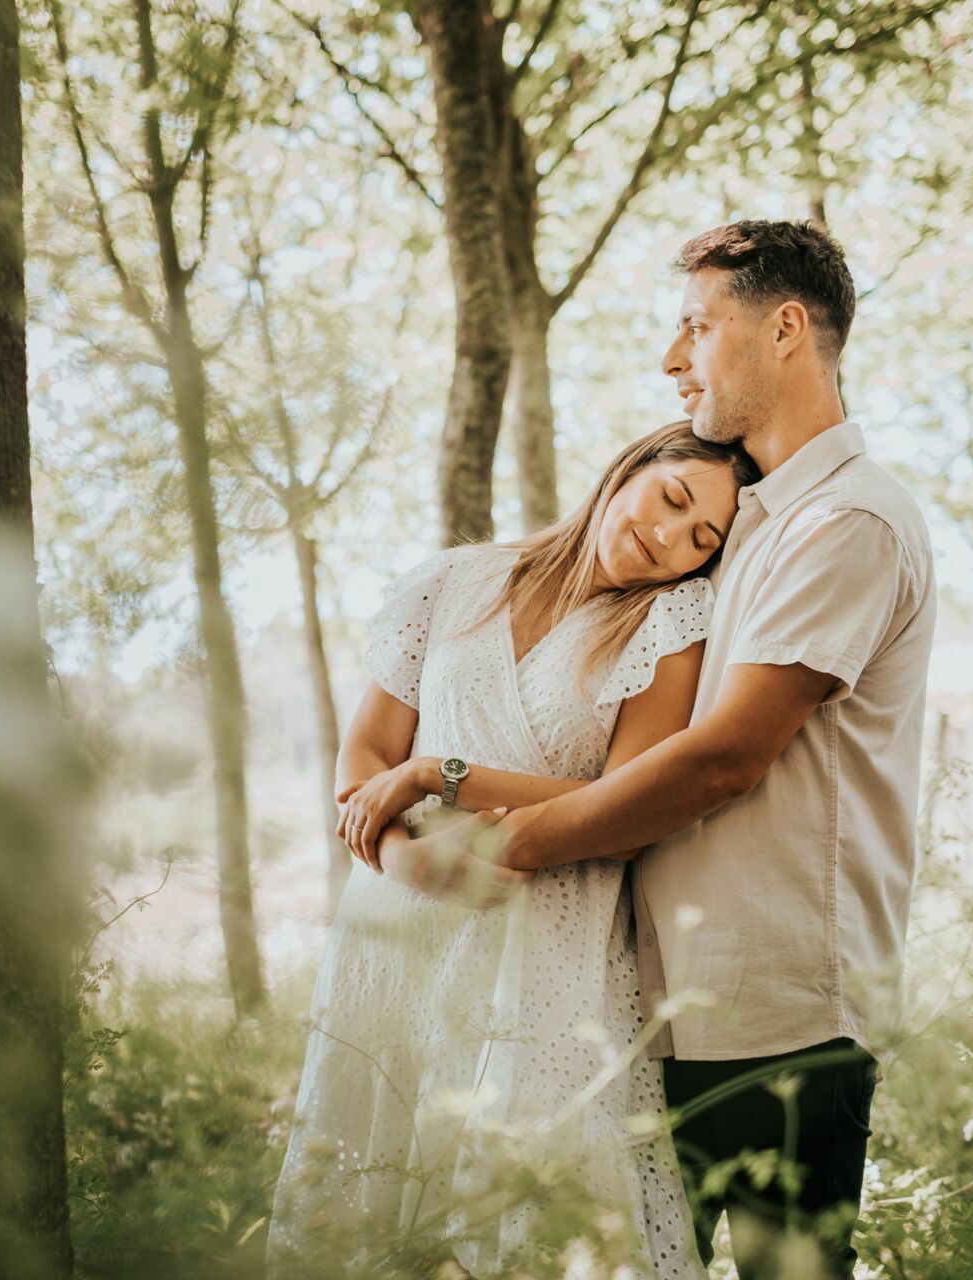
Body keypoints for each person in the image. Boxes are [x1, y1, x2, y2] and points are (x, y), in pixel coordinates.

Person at [481, 219, 939, 1278]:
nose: (672, 357)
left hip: (781, 1015)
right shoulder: (745, 531)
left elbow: (724, 758)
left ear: (785, 329)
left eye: (697, 326)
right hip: (662, 1011)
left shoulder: (850, 522)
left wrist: (518, 844)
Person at [268, 420, 758, 1278]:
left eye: (701, 540)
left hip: (547, 941)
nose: (672, 538)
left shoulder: (670, 619)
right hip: (390, 936)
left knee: (529, 1210)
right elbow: (364, 756)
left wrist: (438, 773)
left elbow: (627, 796)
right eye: (674, 499)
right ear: (632, 467)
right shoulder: (453, 580)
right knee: (371, 1197)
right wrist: (397, 860)